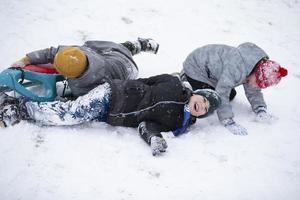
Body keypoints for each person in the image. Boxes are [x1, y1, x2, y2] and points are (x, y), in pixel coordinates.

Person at [0, 74, 221, 156]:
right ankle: (18, 107)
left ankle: (25, 105)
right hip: (114, 94)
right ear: (197, 94)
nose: (201, 106)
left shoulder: (176, 123)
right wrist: (127, 88)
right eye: (202, 100)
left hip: (111, 114)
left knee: (73, 110)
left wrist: (154, 138)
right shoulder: (173, 82)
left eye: (205, 109)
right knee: (72, 114)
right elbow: (145, 81)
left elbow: (147, 124)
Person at [180, 42, 288, 135]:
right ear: (257, 73)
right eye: (259, 82)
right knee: (211, 99)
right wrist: (227, 120)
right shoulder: (236, 67)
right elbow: (221, 92)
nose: (257, 86)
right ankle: (185, 78)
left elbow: (253, 90)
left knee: (231, 95)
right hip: (196, 69)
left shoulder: (252, 67)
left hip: (212, 74)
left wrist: (260, 108)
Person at [11, 38, 159, 97]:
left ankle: (140, 44)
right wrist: (26, 59)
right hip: (111, 53)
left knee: (124, 49)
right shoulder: (76, 53)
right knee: (120, 47)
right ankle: (137, 45)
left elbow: (81, 100)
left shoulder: (85, 87)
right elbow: (51, 52)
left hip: (127, 70)